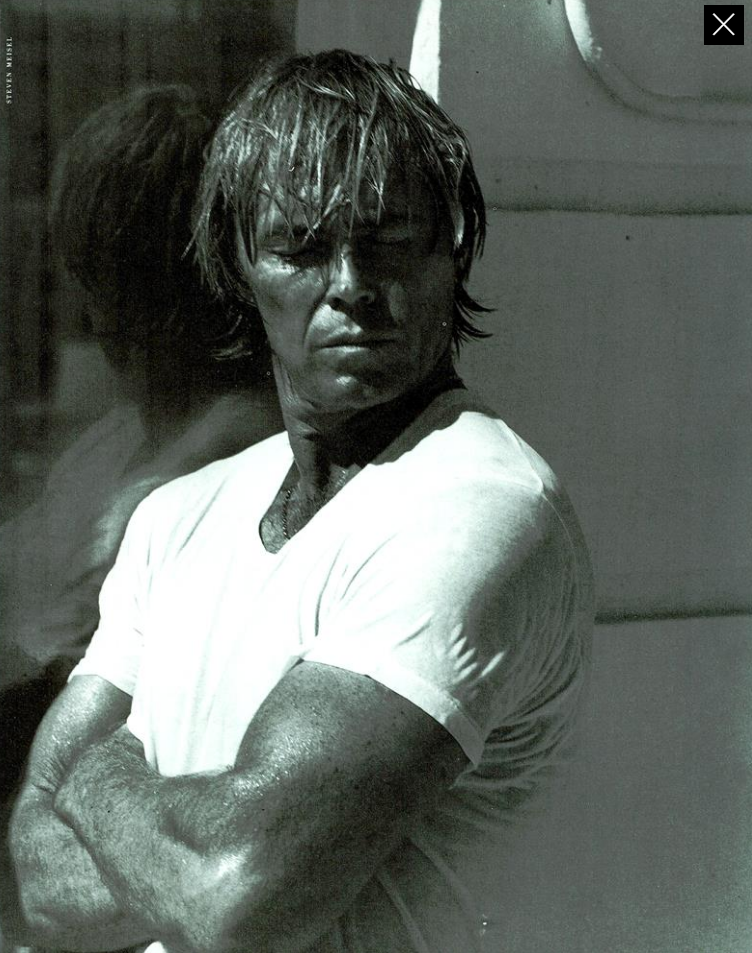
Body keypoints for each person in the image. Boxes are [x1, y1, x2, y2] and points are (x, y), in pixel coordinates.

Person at [7, 51, 594, 953]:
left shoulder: (477, 508)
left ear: (451, 251)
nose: (351, 283)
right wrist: (184, 834)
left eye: (389, 239)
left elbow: (232, 891)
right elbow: (39, 881)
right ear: (237, 266)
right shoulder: (177, 516)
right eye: (302, 247)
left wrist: (93, 781)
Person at [0, 85, 282, 802]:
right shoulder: (116, 439)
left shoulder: (219, 457)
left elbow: (45, 686)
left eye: (105, 278)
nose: (92, 312)